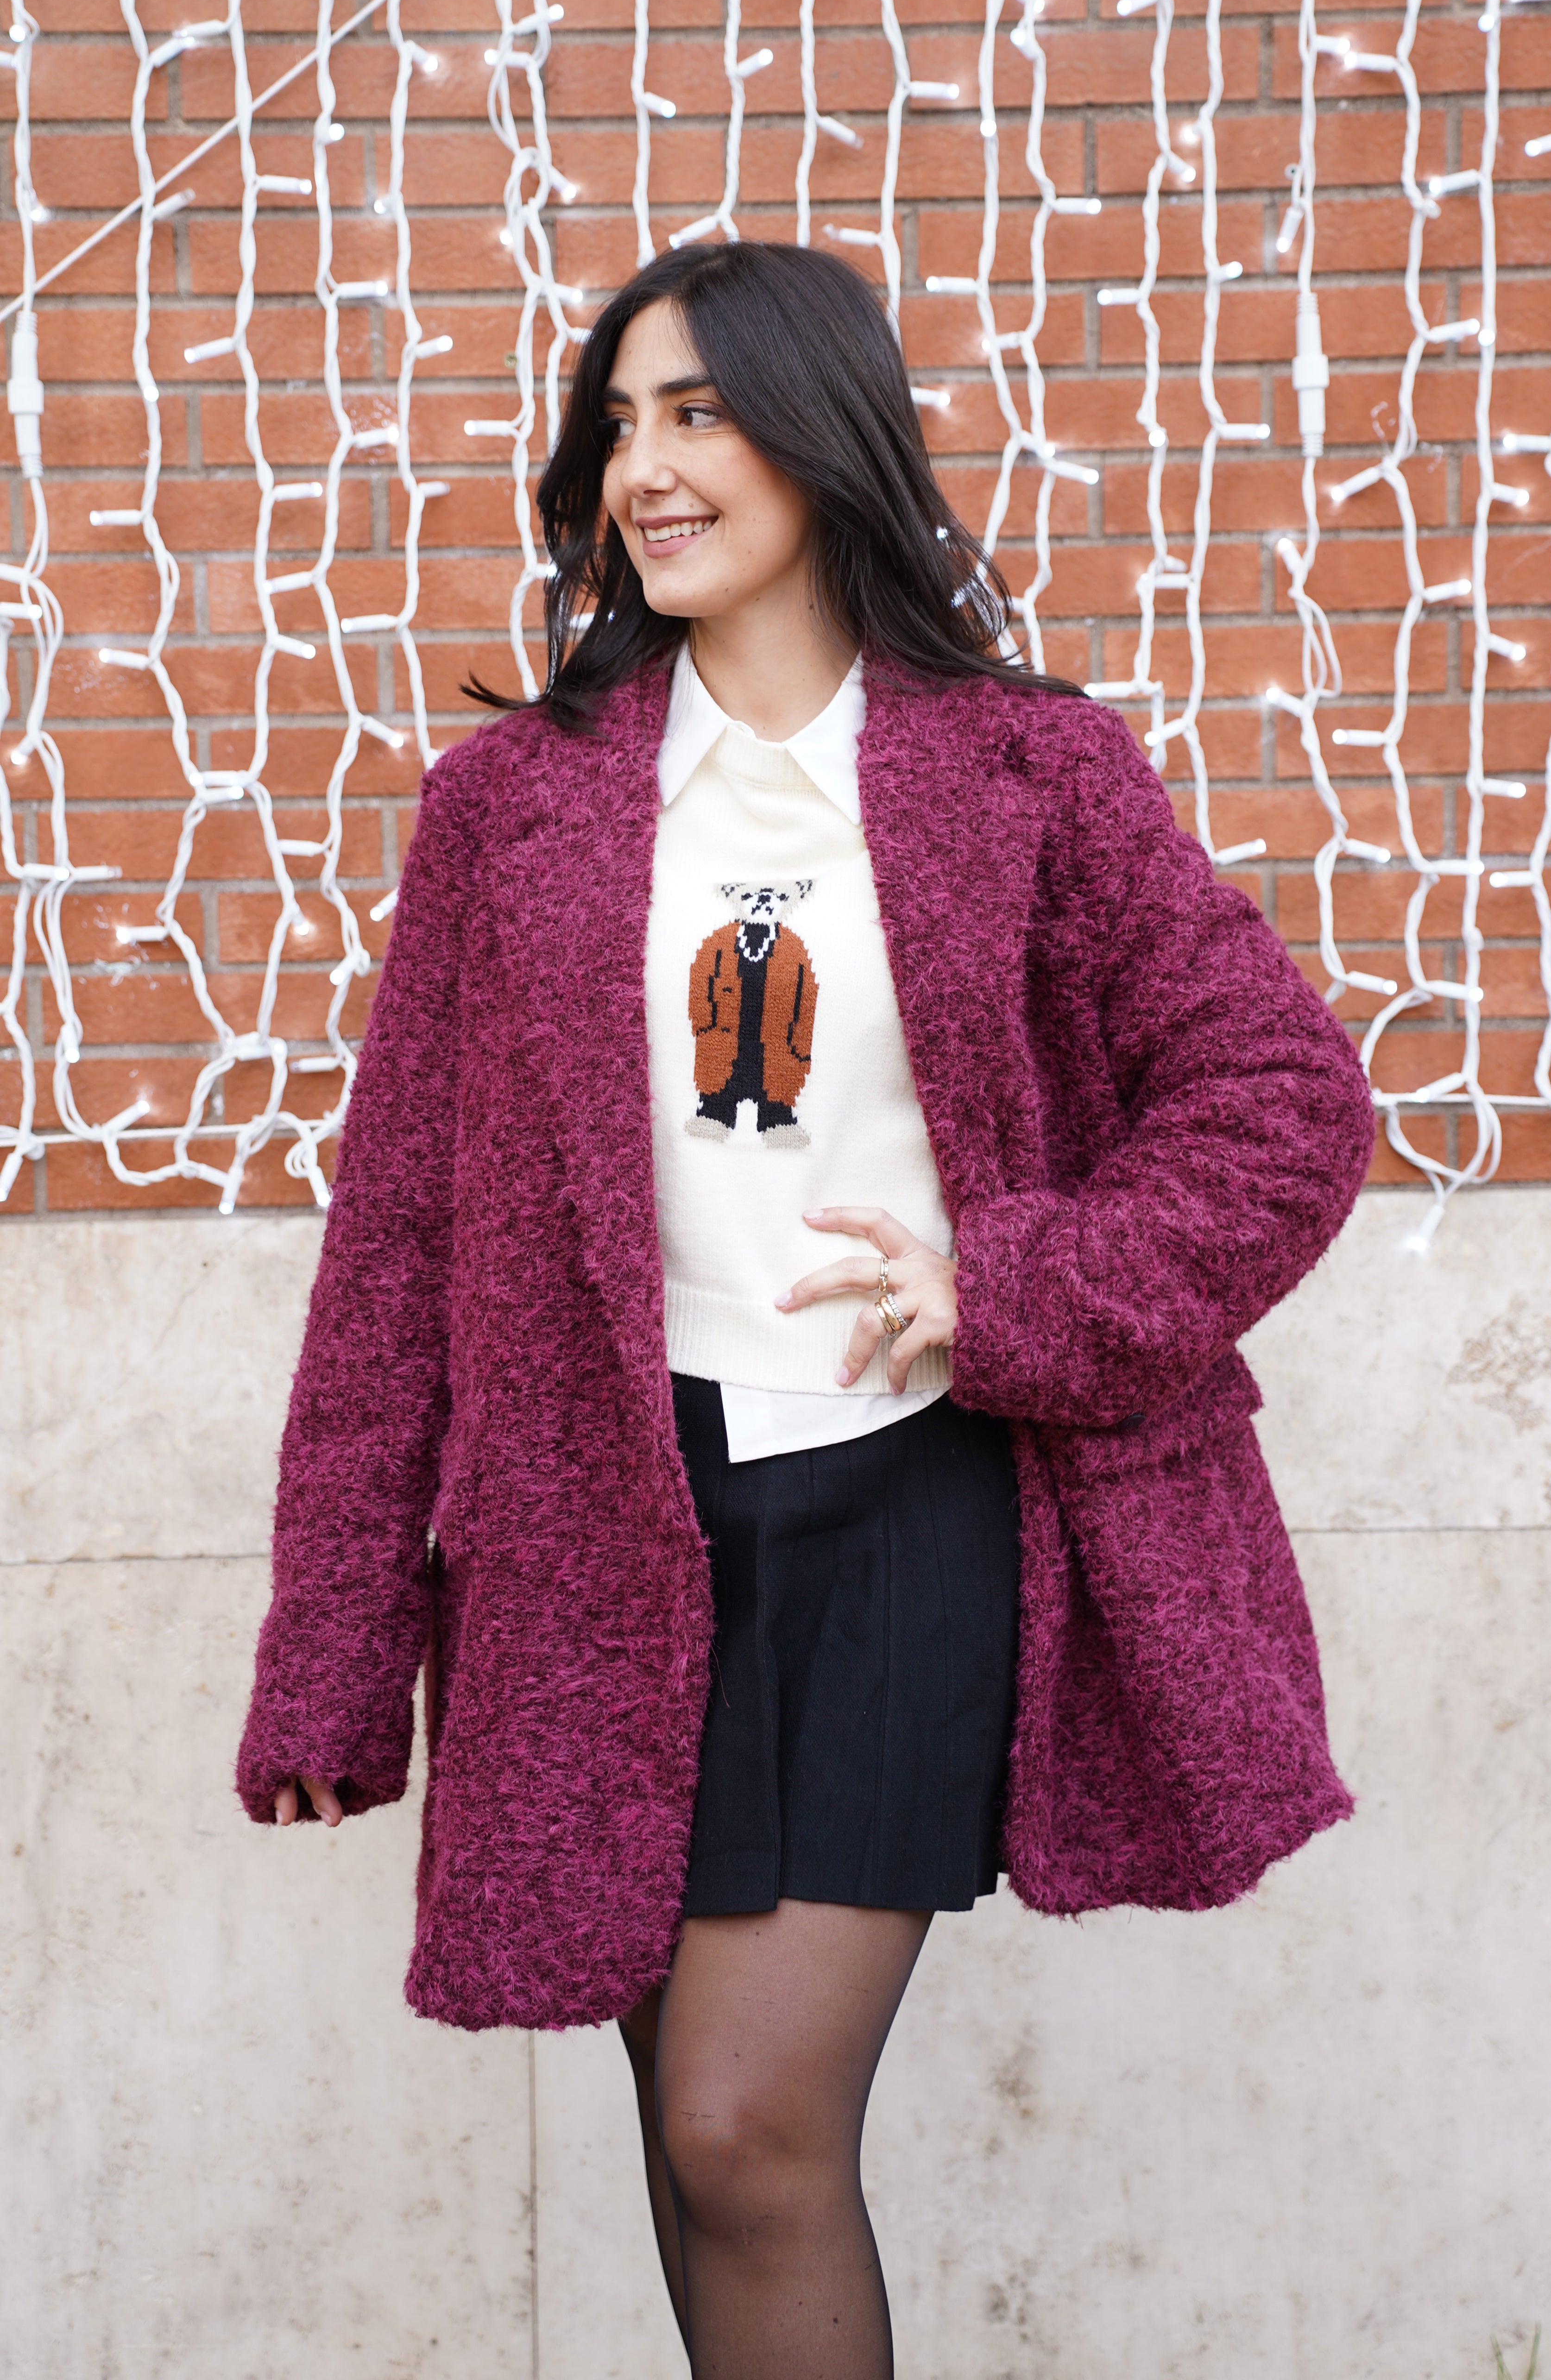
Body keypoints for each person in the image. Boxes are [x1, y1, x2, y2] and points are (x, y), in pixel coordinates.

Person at [238, 240, 1375, 2378]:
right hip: (601, 1532)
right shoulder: (513, 807)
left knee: (744, 2127)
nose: (643, 471)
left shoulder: (1027, 774)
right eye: (618, 426)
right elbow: (395, 1240)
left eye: (697, 413)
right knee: (693, 2160)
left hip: (905, 1502)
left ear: (819, 432)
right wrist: (335, 1640)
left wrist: (1008, 1286)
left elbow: (1284, 1104)